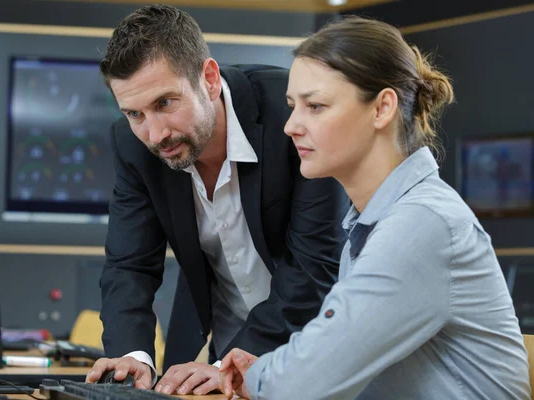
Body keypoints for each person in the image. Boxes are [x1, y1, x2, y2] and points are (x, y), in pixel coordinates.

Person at [219, 16, 532, 400]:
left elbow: (298, 385)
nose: (291, 126)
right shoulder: (374, 226)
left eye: (315, 106)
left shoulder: (421, 224)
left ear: (383, 108)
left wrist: (260, 374)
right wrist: (276, 368)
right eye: (291, 106)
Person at [85, 4, 347, 396]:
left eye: (165, 103)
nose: (155, 134)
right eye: (135, 113)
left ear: (208, 78)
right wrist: (132, 358)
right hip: (222, 362)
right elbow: (129, 265)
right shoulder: (132, 145)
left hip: (317, 354)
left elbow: (314, 267)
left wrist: (238, 359)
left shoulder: (293, 116)